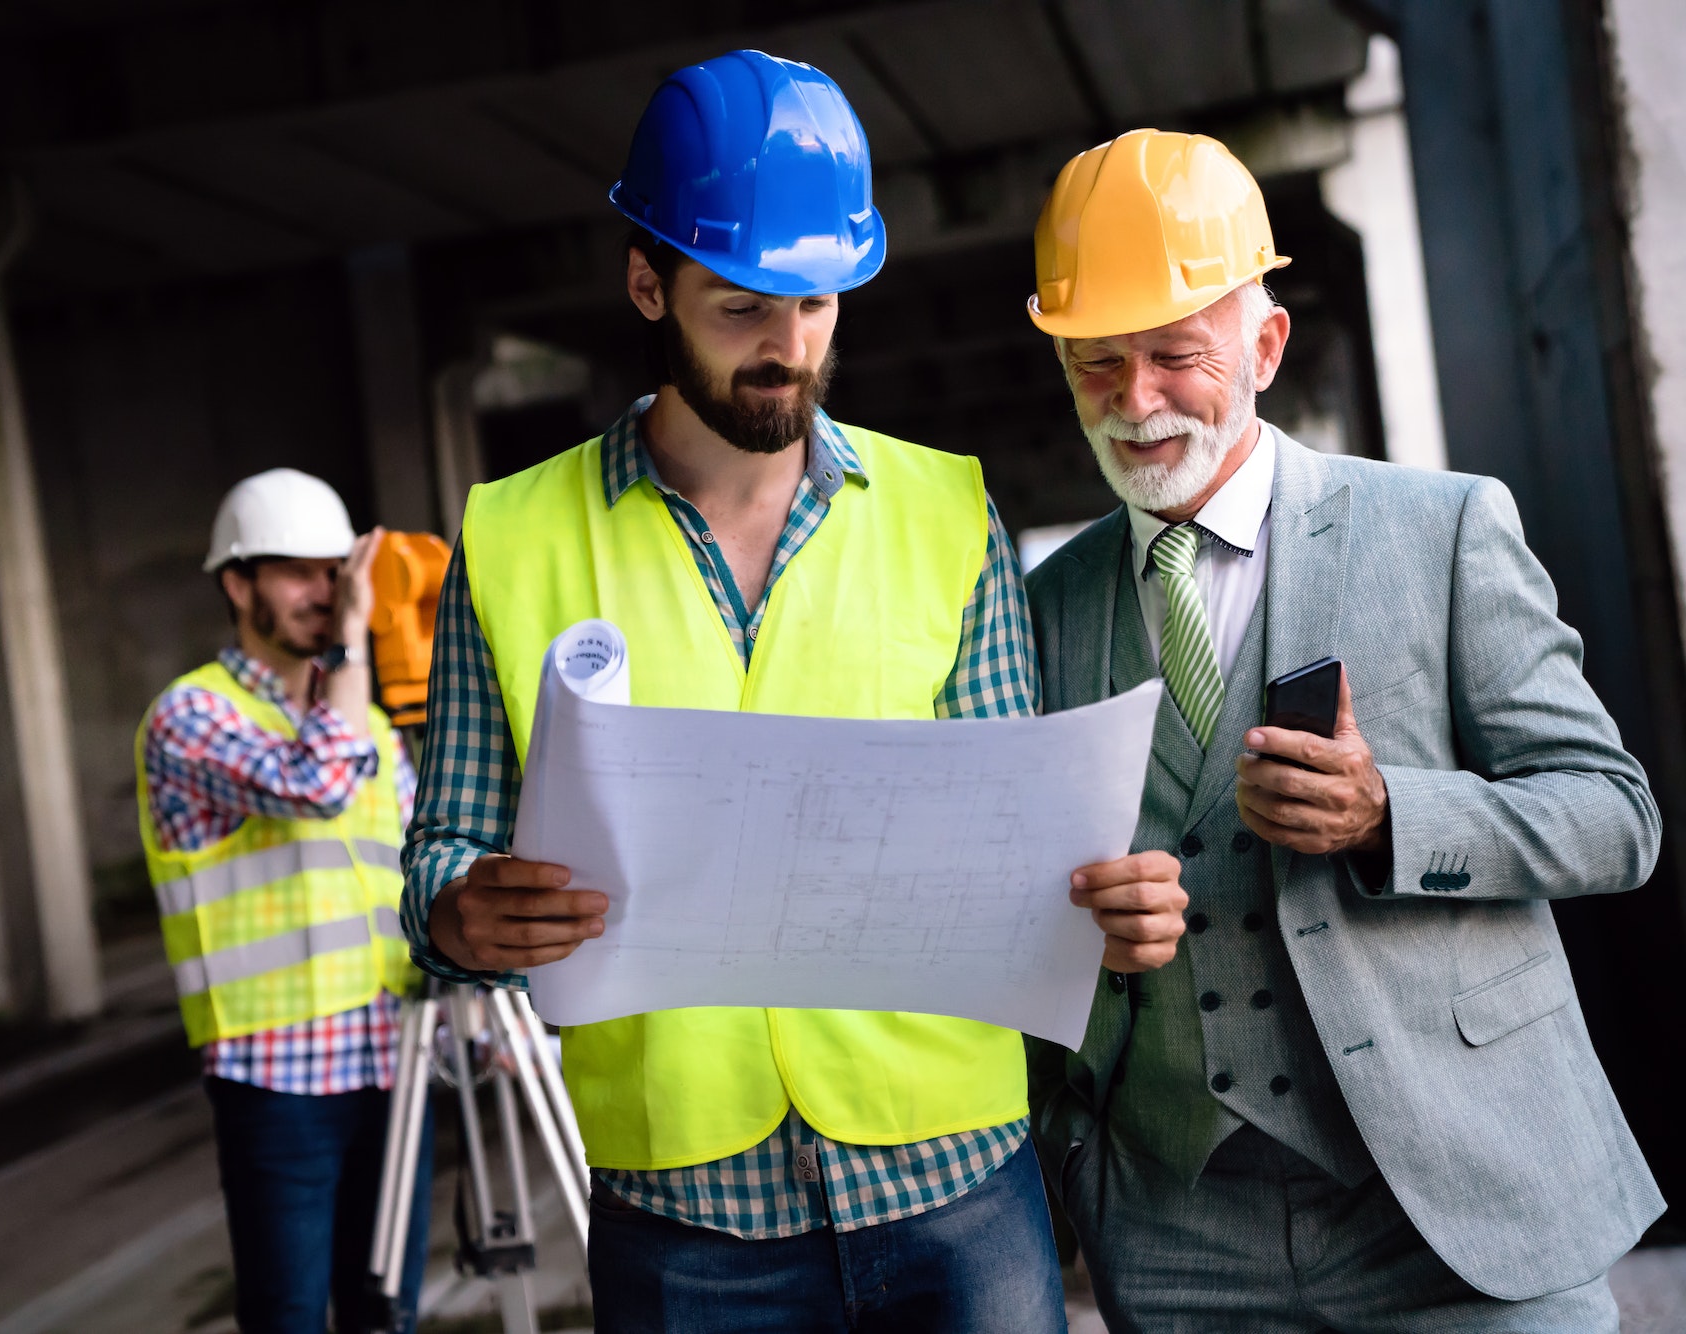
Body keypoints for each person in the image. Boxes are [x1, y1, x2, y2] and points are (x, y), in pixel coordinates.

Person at [401, 51, 1188, 1333]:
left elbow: (1011, 839)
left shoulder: (946, 510)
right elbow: (442, 851)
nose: (788, 348)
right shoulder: (510, 535)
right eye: (742, 308)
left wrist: (1097, 892)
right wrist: (461, 914)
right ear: (647, 282)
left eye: (817, 304)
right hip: (684, 1205)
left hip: (951, 1179)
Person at [1022, 128, 1665, 1332]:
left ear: (1263, 346)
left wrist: (1390, 814)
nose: (1136, 400)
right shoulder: (1041, 611)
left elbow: (1612, 814)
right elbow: (1011, 898)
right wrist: (1074, 935)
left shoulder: (1444, 529)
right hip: (1177, 1238)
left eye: (1173, 354)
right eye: (1094, 364)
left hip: (1454, 1207)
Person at [134, 468, 433, 1333]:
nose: (327, 593)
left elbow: (411, 876)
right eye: (298, 572)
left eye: (337, 570)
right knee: (289, 1318)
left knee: (388, 1318)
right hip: (278, 1080)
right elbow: (319, 786)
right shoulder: (191, 714)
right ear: (238, 583)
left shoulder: (371, 724)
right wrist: (350, 648)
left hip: (391, 1064)